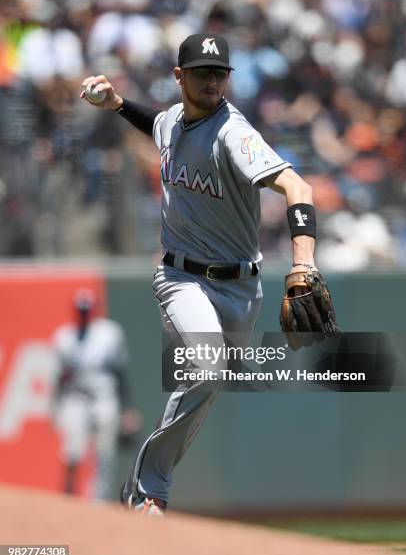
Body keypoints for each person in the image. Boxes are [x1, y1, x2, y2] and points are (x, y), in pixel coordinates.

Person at [80, 34, 317, 516]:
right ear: (179, 76)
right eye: (202, 71)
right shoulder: (173, 120)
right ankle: (147, 492)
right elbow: (159, 125)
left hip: (241, 288)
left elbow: (296, 185)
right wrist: (119, 104)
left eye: (220, 73)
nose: (212, 80)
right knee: (206, 367)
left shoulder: (233, 132)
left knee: (207, 383)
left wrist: (303, 262)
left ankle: (146, 488)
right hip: (181, 276)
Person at [52, 288, 142, 500]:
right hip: (76, 398)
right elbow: (60, 378)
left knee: (104, 454)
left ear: (94, 310)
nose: (84, 314)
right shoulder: (64, 337)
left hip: (105, 397)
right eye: (80, 310)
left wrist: (128, 409)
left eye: (87, 310)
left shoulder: (109, 334)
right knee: (72, 452)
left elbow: (121, 373)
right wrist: (55, 406)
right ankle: (68, 496)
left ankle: (97, 503)